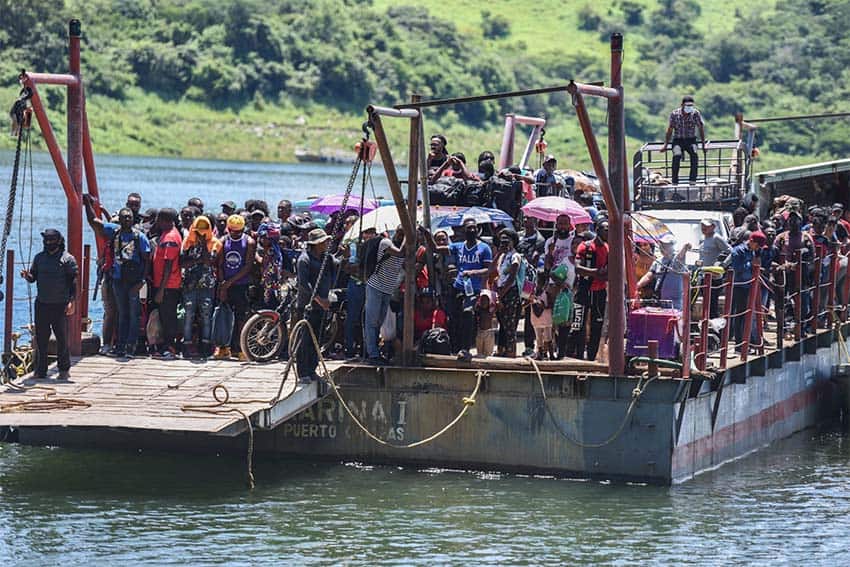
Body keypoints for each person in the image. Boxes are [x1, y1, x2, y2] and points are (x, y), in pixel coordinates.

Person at [83, 195, 151, 358]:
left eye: (129, 217)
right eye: (124, 217)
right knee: (122, 313)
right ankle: (120, 346)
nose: (127, 219)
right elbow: (94, 222)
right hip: (118, 280)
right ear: (119, 220)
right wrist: (87, 204)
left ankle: (131, 347)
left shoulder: (139, 236)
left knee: (134, 315)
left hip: (134, 282)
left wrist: (142, 281)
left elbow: (147, 260)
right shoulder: (114, 232)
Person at [21, 229, 78, 380]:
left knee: (62, 338)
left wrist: (72, 302)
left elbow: (73, 282)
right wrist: (28, 276)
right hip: (42, 304)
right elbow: (33, 277)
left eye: (51, 240)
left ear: (58, 241)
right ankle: (40, 370)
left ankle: (64, 369)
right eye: (46, 240)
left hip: (60, 305)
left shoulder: (68, 259)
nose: (48, 243)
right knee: (41, 338)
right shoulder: (39, 258)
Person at [445, 217, 493, 360]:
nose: (472, 230)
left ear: (478, 230)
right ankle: (454, 347)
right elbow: (437, 249)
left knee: (468, 314)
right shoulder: (458, 246)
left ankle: (465, 349)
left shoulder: (485, 248)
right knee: (454, 316)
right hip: (458, 286)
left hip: (474, 289)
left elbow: (488, 270)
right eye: (468, 228)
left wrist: (472, 273)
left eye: (474, 228)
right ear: (463, 231)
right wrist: (427, 235)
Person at [295, 228, 336, 382]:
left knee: (316, 340)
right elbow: (304, 285)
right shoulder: (304, 260)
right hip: (308, 306)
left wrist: (344, 257)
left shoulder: (325, 258)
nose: (326, 244)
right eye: (324, 241)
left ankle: (312, 370)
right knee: (304, 340)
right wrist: (319, 300)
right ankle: (303, 372)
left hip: (322, 307)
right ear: (316, 244)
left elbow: (338, 265)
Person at [214, 214, 256, 360]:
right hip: (225, 284)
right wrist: (222, 285)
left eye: (238, 231)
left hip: (240, 285)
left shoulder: (249, 242)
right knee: (223, 317)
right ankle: (223, 348)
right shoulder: (223, 241)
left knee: (241, 318)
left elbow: (248, 266)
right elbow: (219, 264)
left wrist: (230, 282)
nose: (235, 234)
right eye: (233, 231)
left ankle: (239, 349)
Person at [364, 227, 407, 364]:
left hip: (387, 290)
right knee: (371, 321)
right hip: (375, 286)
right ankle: (372, 354)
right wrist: (409, 236)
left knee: (379, 322)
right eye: (400, 233)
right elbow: (400, 253)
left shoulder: (405, 248)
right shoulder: (386, 243)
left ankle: (375, 352)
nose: (401, 237)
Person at [181, 216, 220, 358]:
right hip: (190, 284)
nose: (201, 234)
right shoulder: (188, 242)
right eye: (198, 232)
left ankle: (205, 345)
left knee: (206, 316)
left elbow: (209, 261)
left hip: (207, 285)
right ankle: (186, 345)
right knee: (188, 315)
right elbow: (182, 263)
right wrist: (196, 259)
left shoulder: (215, 243)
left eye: (204, 232)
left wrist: (203, 245)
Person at [570, 220, 609, 360]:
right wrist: (597, 272)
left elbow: (610, 271)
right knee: (577, 323)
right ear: (597, 230)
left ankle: (591, 357)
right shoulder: (585, 246)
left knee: (596, 325)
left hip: (599, 291)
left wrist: (598, 273)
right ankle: (575, 355)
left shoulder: (608, 248)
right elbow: (578, 268)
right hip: (584, 289)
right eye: (605, 229)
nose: (608, 232)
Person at [724, 231, 767, 351]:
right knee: (740, 315)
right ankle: (739, 345)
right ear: (751, 241)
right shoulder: (738, 251)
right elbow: (738, 269)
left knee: (748, 314)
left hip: (750, 285)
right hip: (739, 286)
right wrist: (751, 264)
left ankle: (747, 342)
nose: (758, 249)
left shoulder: (752, 251)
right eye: (757, 246)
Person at [151, 208, 183, 358]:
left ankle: (170, 348)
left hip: (168, 286)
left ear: (165, 220)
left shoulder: (170, 238)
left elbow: (169, 266)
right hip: (164, 284)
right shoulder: (166, 233)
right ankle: (165, 346)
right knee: (165, 316)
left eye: (158, 219)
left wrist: (161, 290)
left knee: (168, 317)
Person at [661, 95, 706, 185]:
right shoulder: (675, 114)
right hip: (678, 140)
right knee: (677, 155)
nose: (689, 108)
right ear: (682, 105)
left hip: (691, 140)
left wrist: (703, 144)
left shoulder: (695, 113)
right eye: (687, 105)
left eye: (691, 106)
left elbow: (700, 128)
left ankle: (692, 180)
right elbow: (670, 129)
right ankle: (675, 181)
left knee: (694, 155)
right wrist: (666, 144)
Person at [517, 216, 546, 355]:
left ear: (535, 221)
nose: (526, 220)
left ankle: (529, 346)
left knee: (528, 311)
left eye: (530, 219)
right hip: (516, 278)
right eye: (525, 218)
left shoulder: (540, 240)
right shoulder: (519, 236)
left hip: (529, 281)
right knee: (514, 311)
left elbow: (535, 260)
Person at [637, 237, 690, 311]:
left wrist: (685, 248)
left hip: (675, 303)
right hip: (660, 301)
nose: (661, 247)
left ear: (671, 246)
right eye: (661, 245)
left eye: (665, 245)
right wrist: (638, 285)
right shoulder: (657, 261)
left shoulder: (677, 260)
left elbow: (680, 256)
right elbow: (649, 276)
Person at [492, 229, 522, 357]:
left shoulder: (515, 256)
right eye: (501, 240)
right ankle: (501, 349)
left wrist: (501, 295)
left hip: (510, 292)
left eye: (506, 240)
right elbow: (492, 271)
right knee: (502, 322)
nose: (503, 242)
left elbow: (511, 277)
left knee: (510, 323)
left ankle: (511, 351)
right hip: (500, 291)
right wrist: (499, 253)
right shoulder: (502, 256)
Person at [699, 218, 731, 317]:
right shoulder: (703, 238)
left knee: (712, 304)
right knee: (706, 303)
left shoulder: (717, 238)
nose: (704, 228)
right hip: (703, 275)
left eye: (707, 226)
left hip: (714, 277)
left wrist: (723, 264)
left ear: (713, 227)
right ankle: (706, 324)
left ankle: (714, 328)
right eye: (702, 226)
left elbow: (732, 252)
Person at [475, 290, 498, 358]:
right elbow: (475, 306)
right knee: (479, 353)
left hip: (489, 333)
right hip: (479, 332)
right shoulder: (479, 309)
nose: (484, 302)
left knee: (488, 354)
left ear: (489, 302)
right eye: (482, 300)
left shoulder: (491, 310)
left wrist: (497, 300)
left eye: (486, 300)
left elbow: (499, 306)